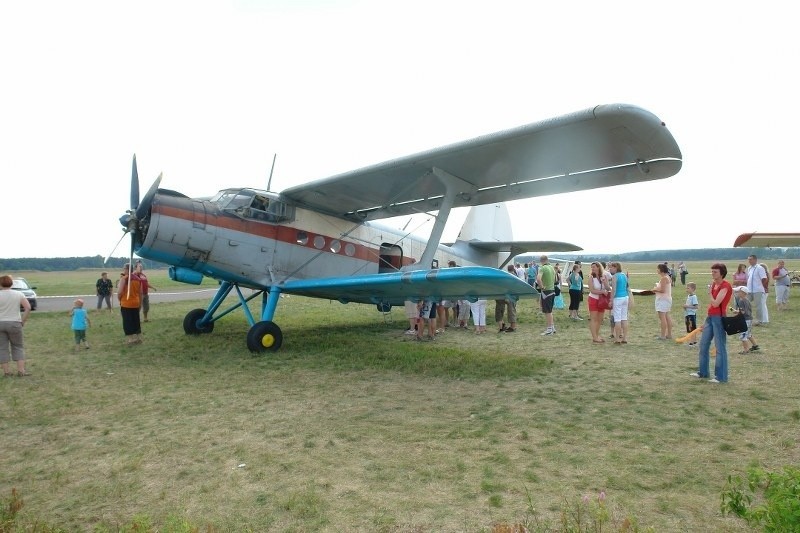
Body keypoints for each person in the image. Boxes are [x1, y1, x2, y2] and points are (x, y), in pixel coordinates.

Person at [691, 263, 732, 383]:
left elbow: (715, 303)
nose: (712, 274)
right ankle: (703, 372)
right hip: (710, 317)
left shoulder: (725, 286)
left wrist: (710, 293)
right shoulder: (714, 284)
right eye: (712, 271)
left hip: (719, 317)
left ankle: (721, 377)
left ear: (722, 273)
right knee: (703, 345)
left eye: (715, 272)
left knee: (720, 348)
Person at [0, 275, 31, 377]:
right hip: (14, 322)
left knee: (2, 348)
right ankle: (21, 371)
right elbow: (28, 307)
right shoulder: (18, 294)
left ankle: (7, 372)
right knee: (18, 346)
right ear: (11, 283)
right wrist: (23, 321)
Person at [608, 262, 633, 344]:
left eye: (611, 267)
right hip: (625, 297)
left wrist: (611, 300)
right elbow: (627, 287)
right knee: (624, 318)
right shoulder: (624, 275)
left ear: (616, 268)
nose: (610, 269)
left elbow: (614, 289)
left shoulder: (615, 276)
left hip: (618, 298)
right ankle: (625, 338)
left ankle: (618, 338)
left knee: (617, 319)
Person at [118, 263, 143, 345]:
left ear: (127, 269)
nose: (123, 270)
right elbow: (140, 293)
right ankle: (139, 338)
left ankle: (131, 339)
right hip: (136, 303)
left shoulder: (124, 279)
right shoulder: (138, 279)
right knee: (136, 321)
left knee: (127, 321)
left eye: (124, 268)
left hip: (126, 303)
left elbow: (120, 292)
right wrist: (140, 304)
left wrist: (120, 299)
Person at [587, 261, 610, 343]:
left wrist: (605, 282)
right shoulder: (591, 278)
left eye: (594, 267)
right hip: (593, 299)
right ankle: (594, 337)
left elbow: (608, 288)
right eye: (591, 267)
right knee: (593, 318)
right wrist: (602, 292)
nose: (592, 268)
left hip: (602, 300)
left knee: (600, 319)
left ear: (598, 267)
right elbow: (592, 290)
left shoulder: (604, 276)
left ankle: (597, 335)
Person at [731, 286, 759, 354]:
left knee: (743, 335)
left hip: (745, 320)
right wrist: (738, 311)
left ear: (743, 293)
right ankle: (755, 345)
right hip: (749, 319)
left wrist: (736, 312)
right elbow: (745, 310)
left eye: (738, 292)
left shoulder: (741, 301)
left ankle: (746, 350)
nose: (737, 293)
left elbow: (742, 312)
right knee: (748, 334)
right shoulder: (746, 300)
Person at [746, 254, 769, 325]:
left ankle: (760, 320)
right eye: (748, 259)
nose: (749, 261)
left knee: (759, 306)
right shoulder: (749, 268)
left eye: (751, 259)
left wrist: (763, 287)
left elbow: (764, 278)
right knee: (746, 304)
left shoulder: (760, 268)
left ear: (755, 260)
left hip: (758, 290)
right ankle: (747, 319)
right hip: (749, 290)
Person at [537, 255, 556, 335]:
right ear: (547, 260)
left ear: (541, 261)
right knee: (550, 311)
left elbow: (538, 279)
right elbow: (555, 279)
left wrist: (541, 287)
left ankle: (549, 329)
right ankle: (552, 327)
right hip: (552, 290)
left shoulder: (542, 268)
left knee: (547, 312)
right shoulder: (551, 268)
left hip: (546, 292)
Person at [653, 263, 673, 340]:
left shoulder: (664, 278)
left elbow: (662, 290)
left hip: (663, 300)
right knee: (667, 316)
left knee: (663, 318)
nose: (657, 270)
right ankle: (669, 334)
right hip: (666, 299)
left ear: (661, 269)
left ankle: (663, 335)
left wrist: (655, 289)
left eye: (658, 268)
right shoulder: (667, 277)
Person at [682, 282, 699, 346]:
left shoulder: (694, 297)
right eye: (686, 288)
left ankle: (692, 342)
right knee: (690, 328)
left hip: (691, 315)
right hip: (687, 314)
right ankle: (693, 341)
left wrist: (687, 306)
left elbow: (696, 306)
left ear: (693, 289)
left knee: (692, 328)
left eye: (688, 288)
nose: (687, 289)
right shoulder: (689, 296)